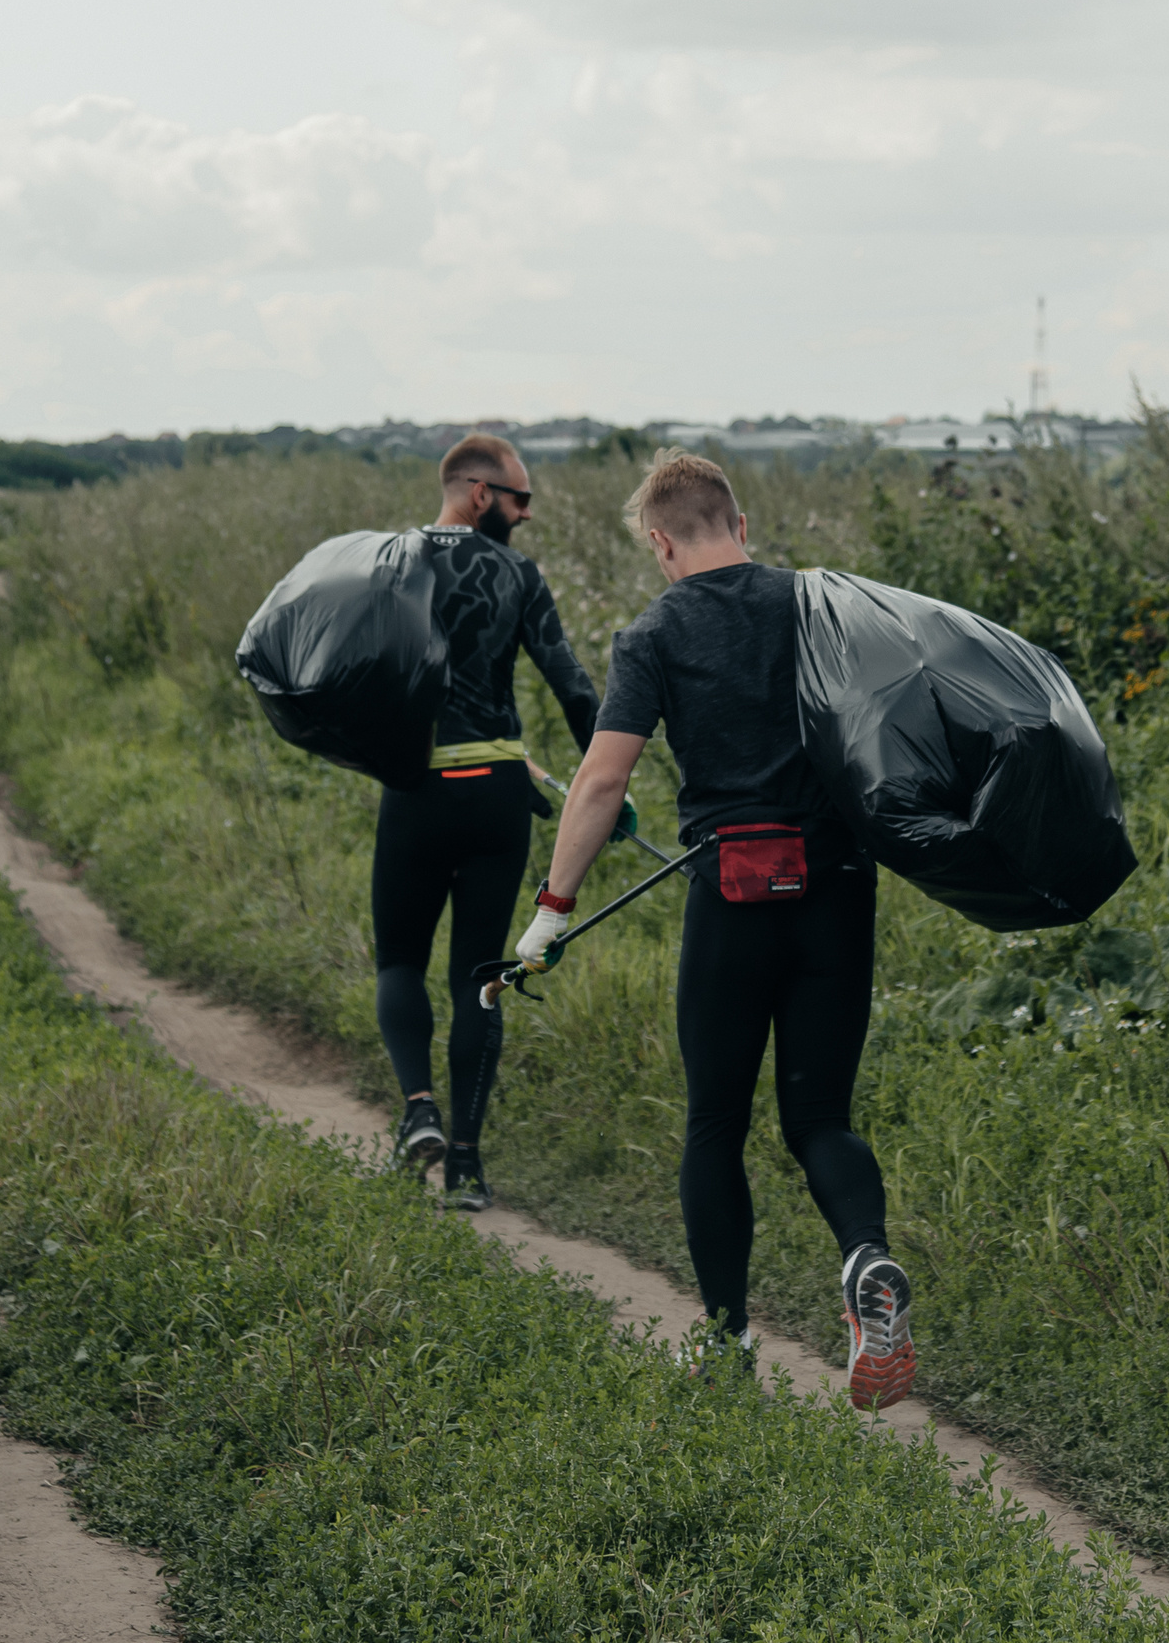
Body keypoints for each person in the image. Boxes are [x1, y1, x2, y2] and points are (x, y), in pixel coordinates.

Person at [515, 447, 918, 1410]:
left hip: (732, 897)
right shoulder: (819, 605)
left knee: (715, 1125)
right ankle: (867, 1262)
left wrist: (551, 911)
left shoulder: (653, 634)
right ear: (738, 524)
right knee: (821, 1118)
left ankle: (729, 1343)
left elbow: (604, 781)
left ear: (660, 543)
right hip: (838, 890)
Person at [377, 432, 605, 1212]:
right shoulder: (518, 574)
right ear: (479, 493)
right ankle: (467, 1170)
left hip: (417, 788)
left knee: (399, 963)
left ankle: (417, 1112)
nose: (526, 515)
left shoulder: (392, 563)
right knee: (481, 978)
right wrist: (608, 778)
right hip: (498, 791)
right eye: (520, 499)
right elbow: (571, 685)